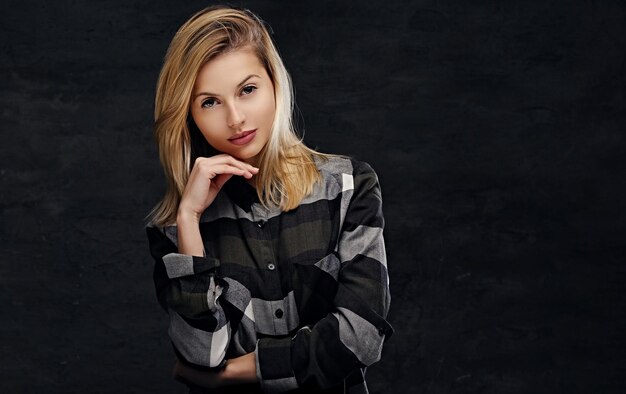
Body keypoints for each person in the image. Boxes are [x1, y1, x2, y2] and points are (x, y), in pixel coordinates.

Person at [145, 5, 393, 393]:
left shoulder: (348, 187)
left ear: (275, 84)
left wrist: (238, 372)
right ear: (188, 115)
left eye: (247, 90)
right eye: (210, 102)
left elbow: (360, 336)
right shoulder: (173, 228)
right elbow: (202, 354)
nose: (236, 118)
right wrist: (190, 219)